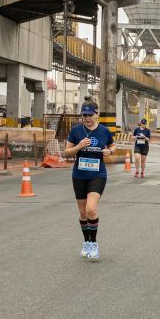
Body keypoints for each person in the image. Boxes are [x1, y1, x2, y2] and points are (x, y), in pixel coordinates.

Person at [63, 102, 116, 260]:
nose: (87, 118)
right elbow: (66, 153)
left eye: (90, 115)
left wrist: (109, 150)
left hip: (98, 174)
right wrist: (78, 146)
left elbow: (113, 145)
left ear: (96, 114)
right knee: (82, 212)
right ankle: (86, 242)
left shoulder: (104, 131)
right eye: (84, 115)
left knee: (91, 209)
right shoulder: (76, 131)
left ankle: (93, 243)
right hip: (79, 175)